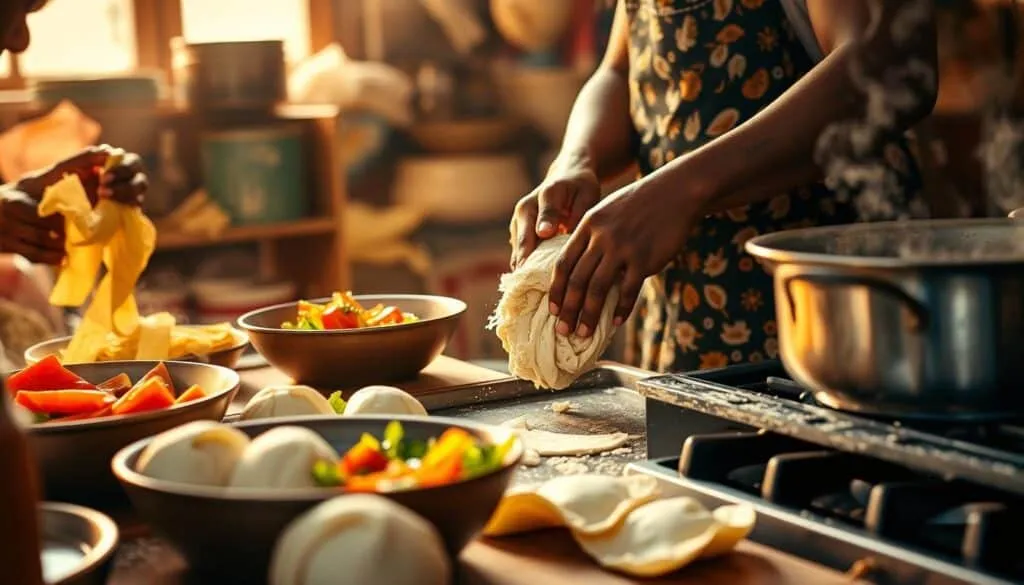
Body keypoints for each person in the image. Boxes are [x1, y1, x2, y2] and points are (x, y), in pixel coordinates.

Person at [509, 0, 937, 372]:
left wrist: (685, 190)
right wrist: (576, 159)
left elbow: (889, 63)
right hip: (682, 326)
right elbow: (620, 71)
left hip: (822, 317)